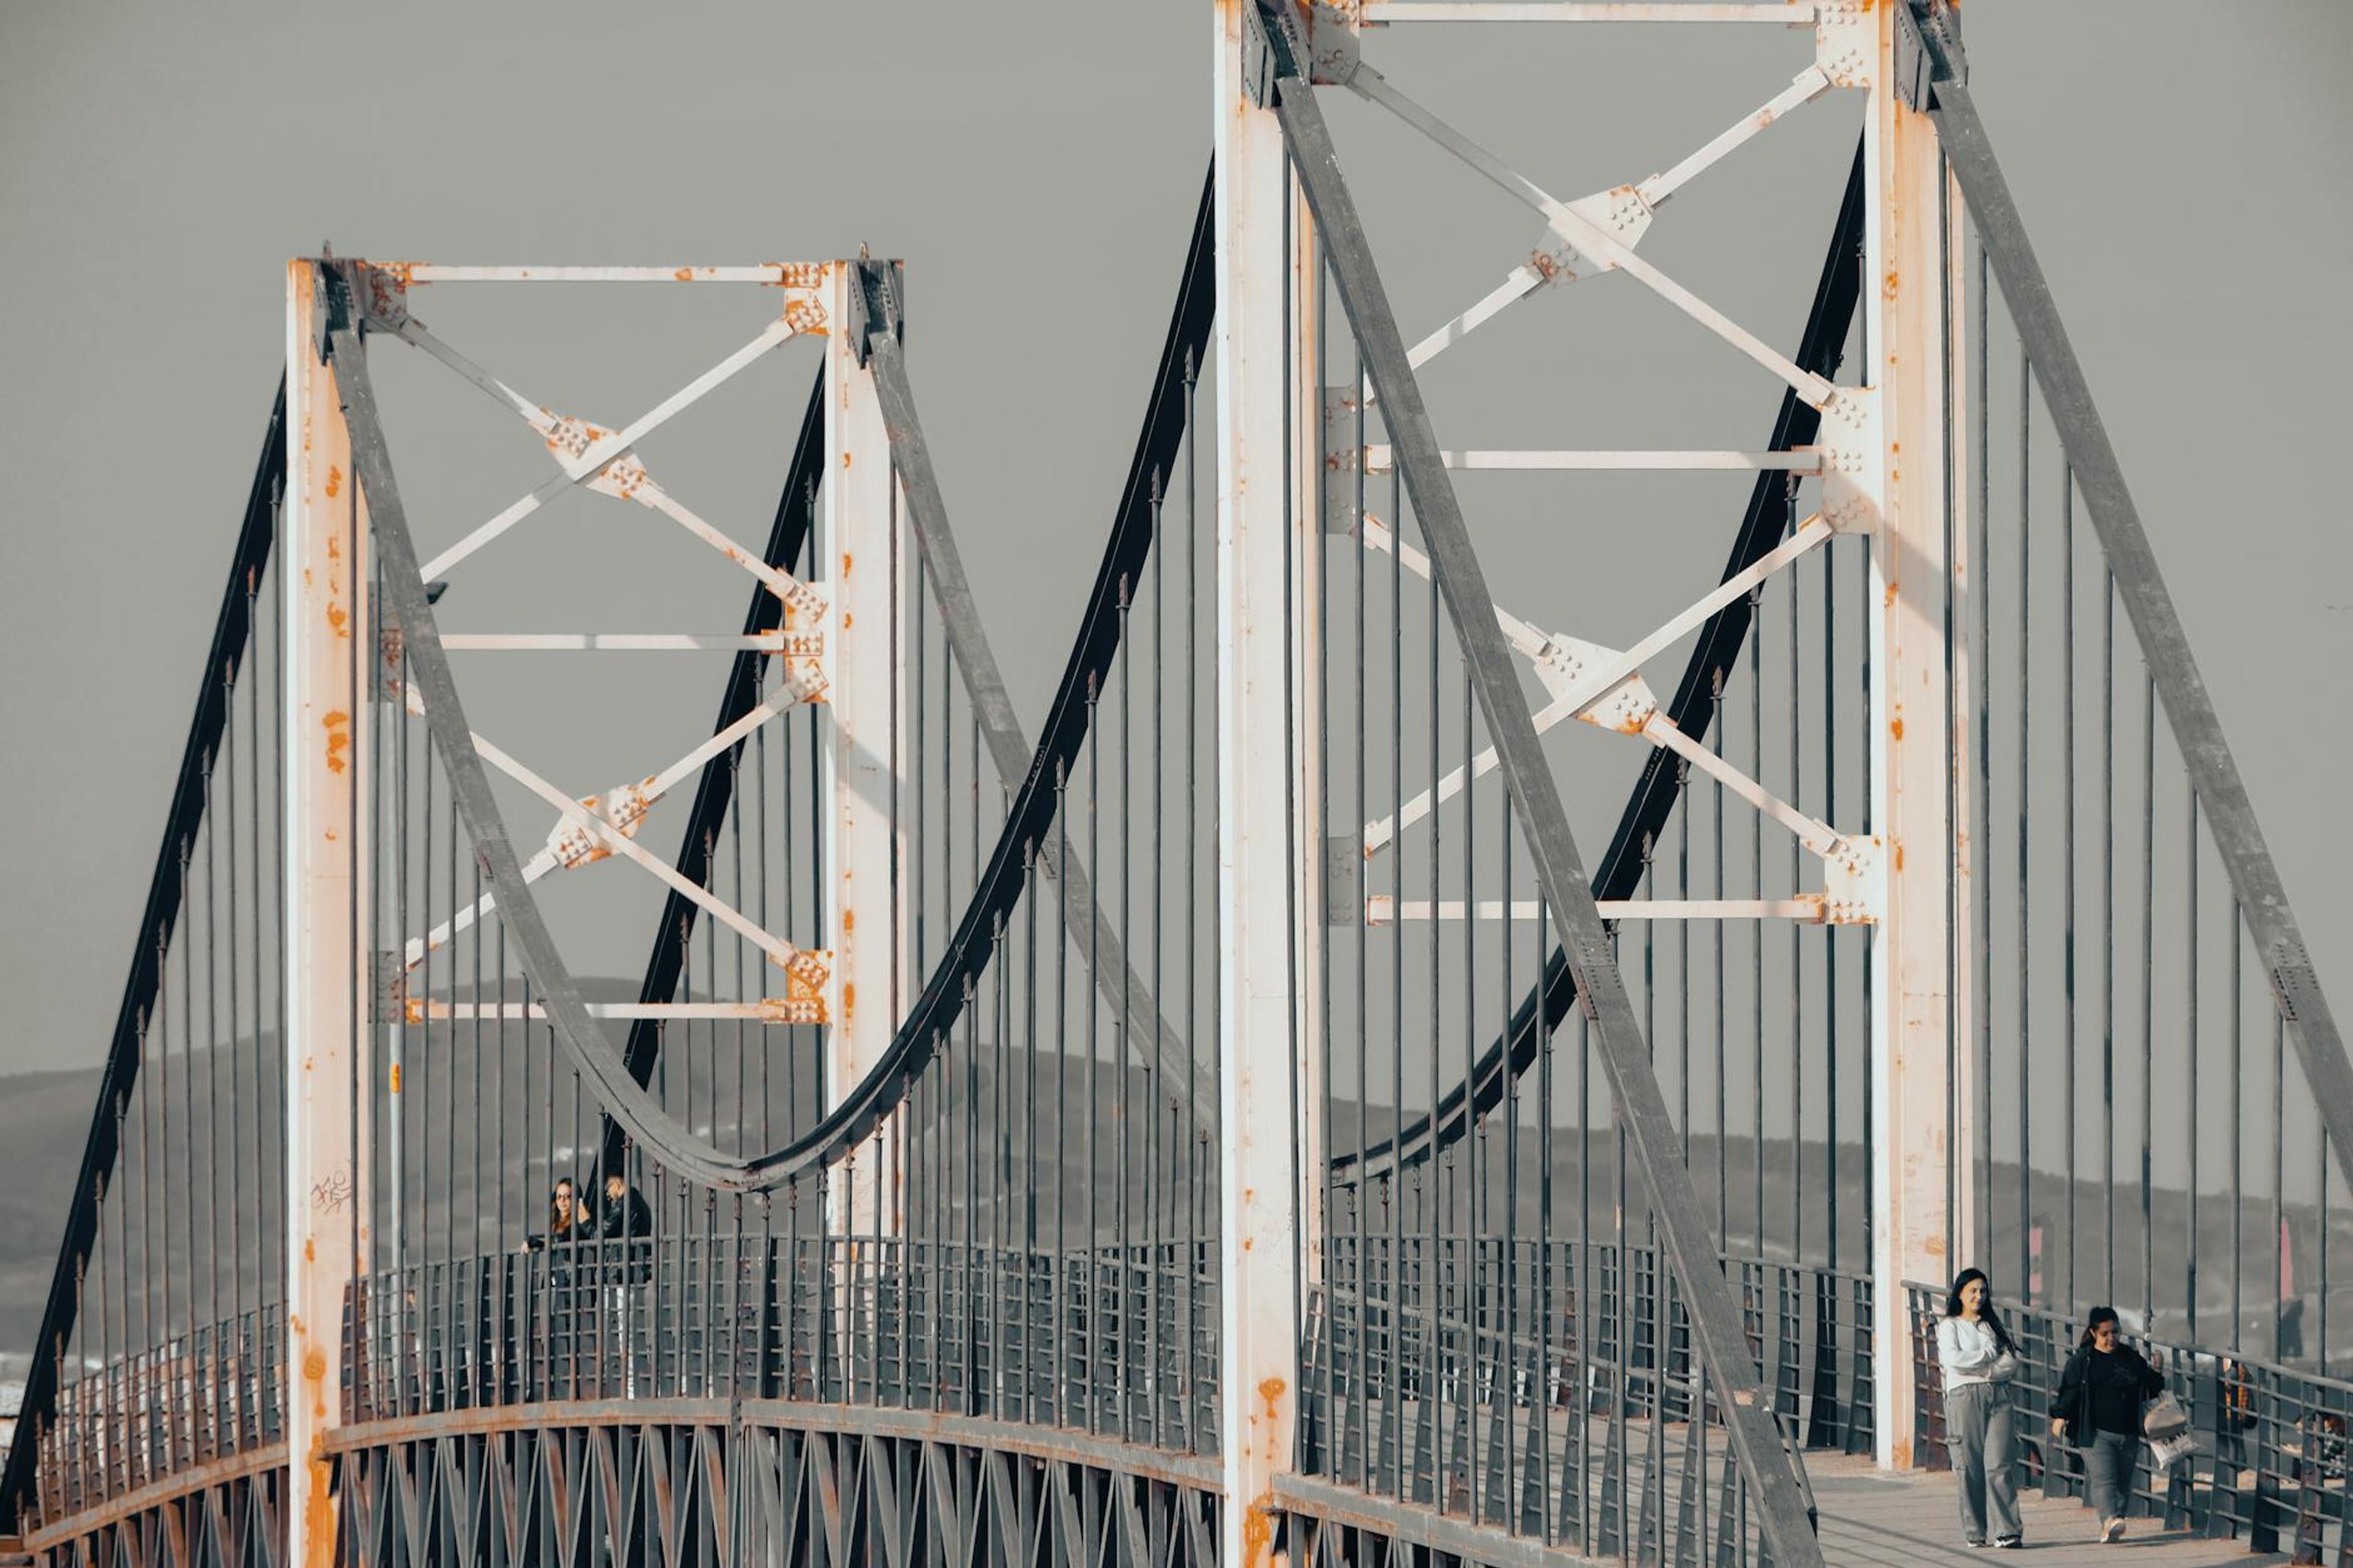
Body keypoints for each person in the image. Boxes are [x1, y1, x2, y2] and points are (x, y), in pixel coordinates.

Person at [2049, 1305, 2165, 1544]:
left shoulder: (2130, 1357)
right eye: (2105, 1334)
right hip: (2096, 1433)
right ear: (2093, 1333)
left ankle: (2115, 1522)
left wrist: (2157, 1370)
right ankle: (2109, 1519)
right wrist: (2060, 1417)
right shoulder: (2083, 1361)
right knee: (2104, 1480)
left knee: (2123, 1483)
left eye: (2115, 1332)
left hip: (2129, 1432)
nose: (2111, 1338)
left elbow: (2150, 1387)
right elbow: (2070, 1392)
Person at [1937, 1267, 2024, 1549]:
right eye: (1973, 1290)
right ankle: (1976, 1532)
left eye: (1983, 1291)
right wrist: (1988, 1356)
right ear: (1960, 1293)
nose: (1979, 1296)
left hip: (1998, 1395)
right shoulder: (1950, 1325)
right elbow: (1954, 1360)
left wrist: (1987, 1372)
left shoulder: (1991, 1325)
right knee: (1970, 1467)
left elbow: (2011, 1361)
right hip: (1964, 1398)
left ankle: (2008, 1531)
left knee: (1999, 1464)